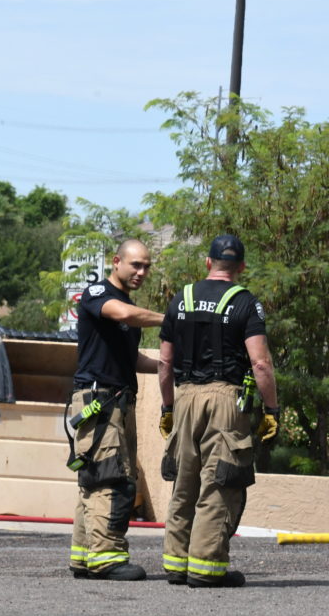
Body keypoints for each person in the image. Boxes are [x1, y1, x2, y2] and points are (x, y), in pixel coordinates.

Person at [158, 234, 278, 588]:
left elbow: (164, 363)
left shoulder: (181, 299)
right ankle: (206, 568)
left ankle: (176, 563)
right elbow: (260, 364)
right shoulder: (245, 303)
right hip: (226, 399)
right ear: (241, 266)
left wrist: (168, 407)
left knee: (184, 481)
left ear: (208, 262)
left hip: (185, 398)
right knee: (219, 483)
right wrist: (272, 409)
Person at [66, 239, 162, 581]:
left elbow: (131, 359)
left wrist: (170, 367)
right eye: (136, 264)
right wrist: (172, 321)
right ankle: (107, 558)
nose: (142, 272)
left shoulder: (127, 305)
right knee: (110, 477)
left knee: (96, 478)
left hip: (117, 400)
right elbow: (123, 314)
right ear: (116, 262)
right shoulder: (98, 294)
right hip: (101, 401)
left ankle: (84, 556)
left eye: (146, 266)